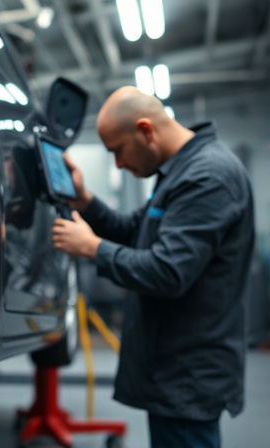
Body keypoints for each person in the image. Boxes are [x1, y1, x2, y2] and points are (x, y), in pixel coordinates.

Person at [51, 86, 255, 448]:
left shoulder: (208, 177)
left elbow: (168, 271)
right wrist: (86, 201)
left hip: (188, 379)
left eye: (117, 151)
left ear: (145, 131)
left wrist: (93, 249)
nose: (117, 165)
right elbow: (135, 231)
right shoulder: (182, 172)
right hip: (172, 371)